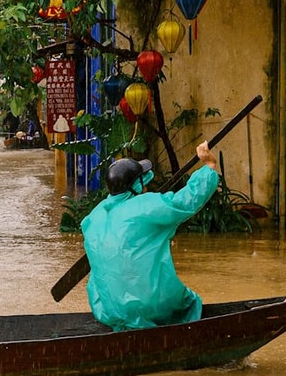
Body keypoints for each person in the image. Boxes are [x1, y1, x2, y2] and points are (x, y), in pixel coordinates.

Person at [79, 141, 220, 331]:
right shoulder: (146, 206)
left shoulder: (92, 218)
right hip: (150, 308)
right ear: (135, 185)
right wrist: (209, 166)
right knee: (189, 302)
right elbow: (185, 202)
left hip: (107, 310)